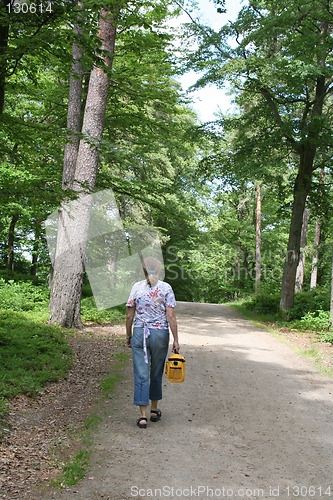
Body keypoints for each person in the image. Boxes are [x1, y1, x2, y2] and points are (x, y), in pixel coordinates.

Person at [126, 257, 179, 429]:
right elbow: (170, 315)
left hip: (140, 332)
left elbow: (129, 315)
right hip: (160, 333)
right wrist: (176, 339)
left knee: (141, 373)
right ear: (159, 270)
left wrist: (128, 335)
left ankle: (142, 416)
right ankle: (154, 410)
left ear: (143, 270)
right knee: (156, 371)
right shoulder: (166, 288)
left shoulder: (136, 287)